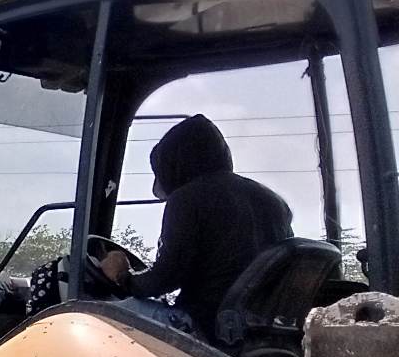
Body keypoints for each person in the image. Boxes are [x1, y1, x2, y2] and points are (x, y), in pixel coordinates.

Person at [102, 114, 293, 338]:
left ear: (175, 164)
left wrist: (122, 276)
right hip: (256, 333)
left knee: (93, 317)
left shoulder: (187, 198)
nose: (157, 190)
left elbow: (166, 278)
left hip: (204, 327)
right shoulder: (274, 202)